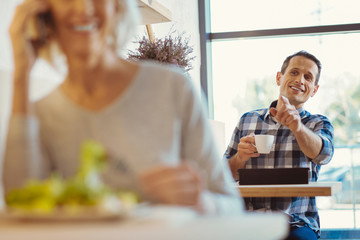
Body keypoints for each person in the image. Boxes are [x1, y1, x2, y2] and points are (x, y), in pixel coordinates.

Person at [2, 0, 243, 214]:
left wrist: (199, 202)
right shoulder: (40, 112)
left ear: (116, 7)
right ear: (44, 12)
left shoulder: (174, 88)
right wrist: (21, 74)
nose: (83, 7)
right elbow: (20, 205)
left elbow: (232, 206)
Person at [224, 50, 334, 239]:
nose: (300, 80)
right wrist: (239, 158)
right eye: (294, 72)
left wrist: (297, 127)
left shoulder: (318, 123)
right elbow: (222, 174)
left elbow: (324, 155)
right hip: (249, 222)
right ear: (279, 77)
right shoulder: (248, 120)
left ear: (314, 90)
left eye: (308, 77)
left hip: (296, 223)